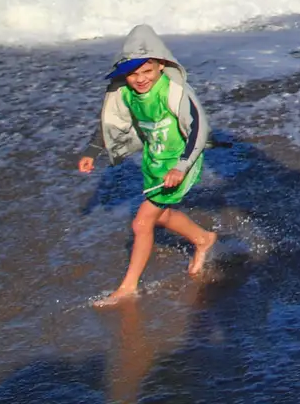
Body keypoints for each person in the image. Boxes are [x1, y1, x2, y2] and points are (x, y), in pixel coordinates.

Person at [77, 25, 217, 305]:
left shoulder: (174, 91)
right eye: (133, 73)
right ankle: (203, 239)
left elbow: (199, 129)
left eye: (147, 72)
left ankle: (129, 286)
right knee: (161, 216)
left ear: (161, 65)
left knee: (142, 222)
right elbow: (110, 123)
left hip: (181, 161)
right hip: (153, 162)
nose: (140, 79)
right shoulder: (125, 93)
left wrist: (182, 166)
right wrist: (93, 151)